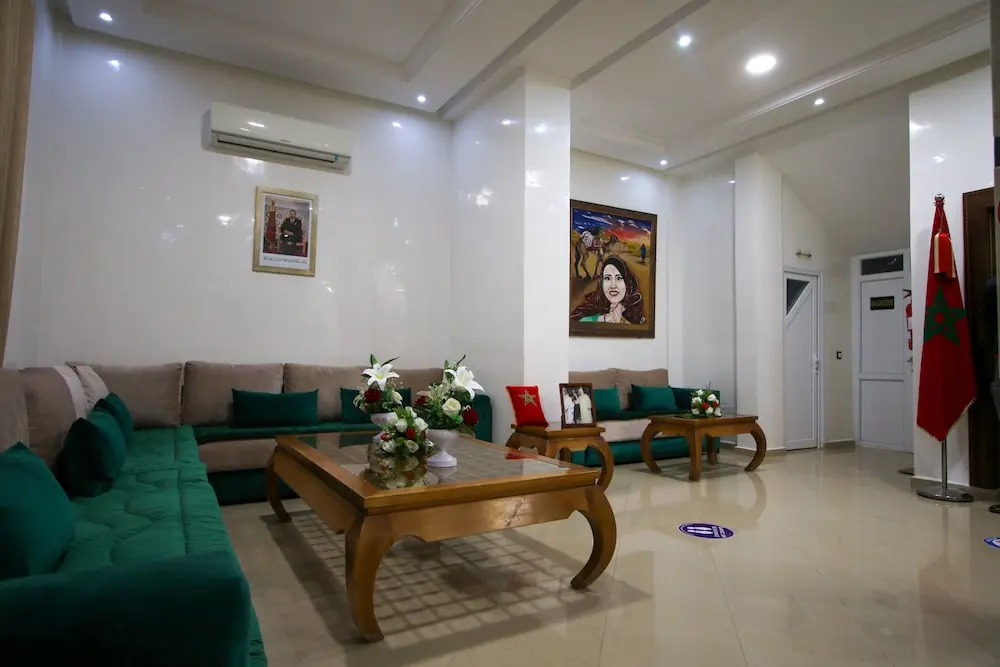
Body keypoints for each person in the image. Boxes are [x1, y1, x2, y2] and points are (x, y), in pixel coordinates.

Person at [570, 256, 645, 324]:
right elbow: (574, 322)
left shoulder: (634, 307)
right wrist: (604, 318)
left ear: (626, 282)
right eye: (607, 278)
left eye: (619, 278)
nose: (613, 285)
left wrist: (624, 322)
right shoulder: (594, 302)